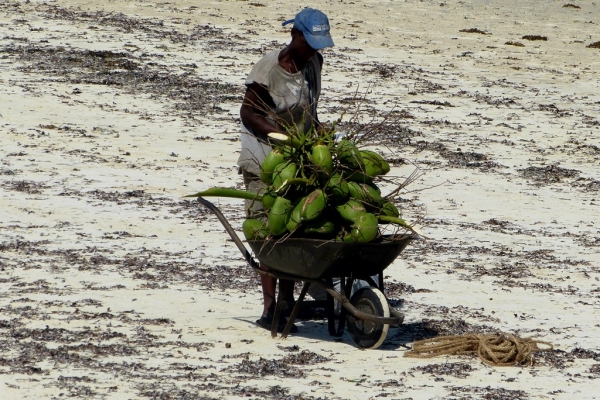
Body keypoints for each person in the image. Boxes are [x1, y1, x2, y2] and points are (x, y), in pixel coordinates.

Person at [237, 8, 334, 332]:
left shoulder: (314, 64)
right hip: (265, 157)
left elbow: (309, 108)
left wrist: (318, 130)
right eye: (310, 43)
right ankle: (270, 309)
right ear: (295, 35)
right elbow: (248, 112)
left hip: (299, 158)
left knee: (295, 227)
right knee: (268, 230)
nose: (314, 51)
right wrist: (279, 137)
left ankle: (288, 299)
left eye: (318, 45)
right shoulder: (269, 70)